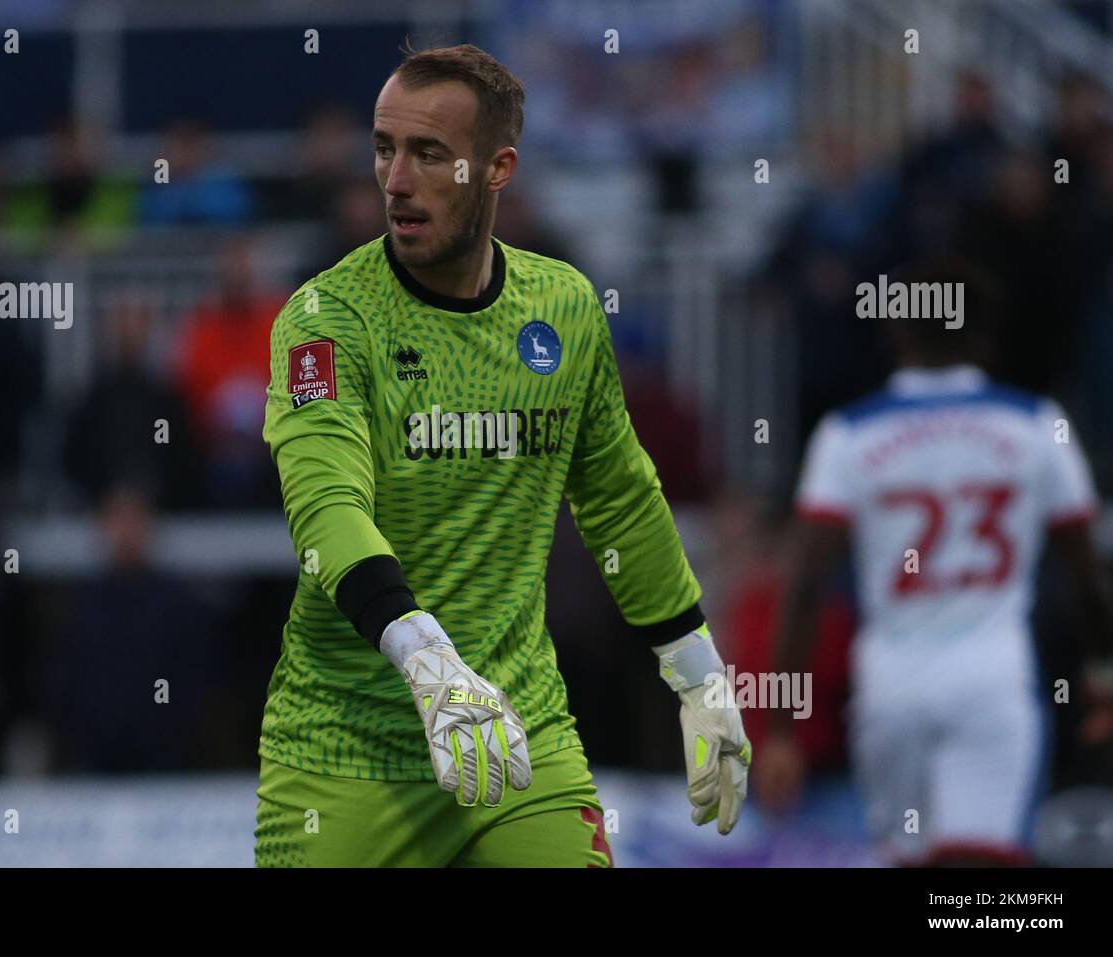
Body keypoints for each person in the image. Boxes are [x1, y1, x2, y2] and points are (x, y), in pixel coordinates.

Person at [253, 43, 751, 867]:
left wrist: (698, 669)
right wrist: (427, 659)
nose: (396, 180)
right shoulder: (326, 319)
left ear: (496, 170)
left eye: (429, 154)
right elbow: (326, 508)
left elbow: (619, 496)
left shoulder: (562, 306)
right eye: (384, 148)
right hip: (347, 753)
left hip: (520, 734)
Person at [758, 261, 1113, 866]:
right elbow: (1085, 569)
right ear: (987, 333)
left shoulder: (848, 434)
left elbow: (804, 585)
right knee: (979, 876)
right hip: (993, 680)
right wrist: (1104, 668)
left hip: (891, 685)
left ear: (895, 332)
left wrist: (783, 730)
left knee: (908, 859)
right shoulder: (1036, 424)